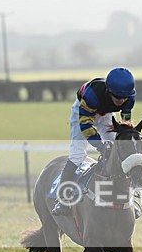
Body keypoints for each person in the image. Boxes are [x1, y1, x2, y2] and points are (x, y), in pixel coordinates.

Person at [52, 67, 136, 216]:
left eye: (124, 98)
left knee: (117, 150)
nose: (121, 101)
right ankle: (63, 200)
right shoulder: (92, 95)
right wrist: (100, 146)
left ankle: (128, 198)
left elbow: (125, 122)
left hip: (106, 115)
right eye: (117, 97)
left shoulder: (129, 97)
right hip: (83, 113)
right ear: (109, 91)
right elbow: (86, 126)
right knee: (77, 155)